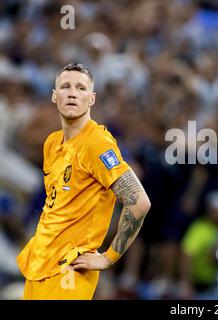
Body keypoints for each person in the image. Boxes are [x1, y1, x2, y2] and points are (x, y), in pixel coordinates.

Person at [16, 62, 151, 299]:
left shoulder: (96, 143)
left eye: (81, 88)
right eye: (65, 86)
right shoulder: (51, 143)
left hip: (69, 269)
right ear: (54, 96)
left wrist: (108, 257)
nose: (72, 93)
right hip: (39, 263)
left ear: (92, 99)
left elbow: (139, 201)